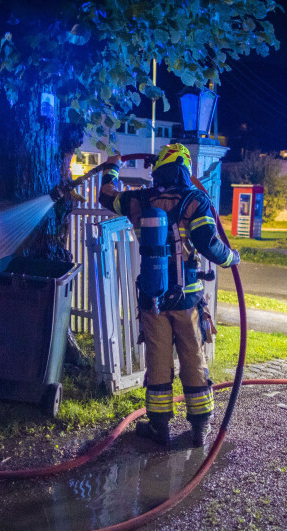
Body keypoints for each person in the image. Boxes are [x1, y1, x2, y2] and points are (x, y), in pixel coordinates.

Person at [97, 143, 239, 447]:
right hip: (188, 299)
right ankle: (200, 428)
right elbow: (208, 244)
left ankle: (159, 427)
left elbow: (105, 195)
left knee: (158, 360)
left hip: (153, 297)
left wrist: (112, 166)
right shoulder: (195, 201)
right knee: (193, 357)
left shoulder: (141, 199)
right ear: (185, 170)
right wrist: (233, 258)